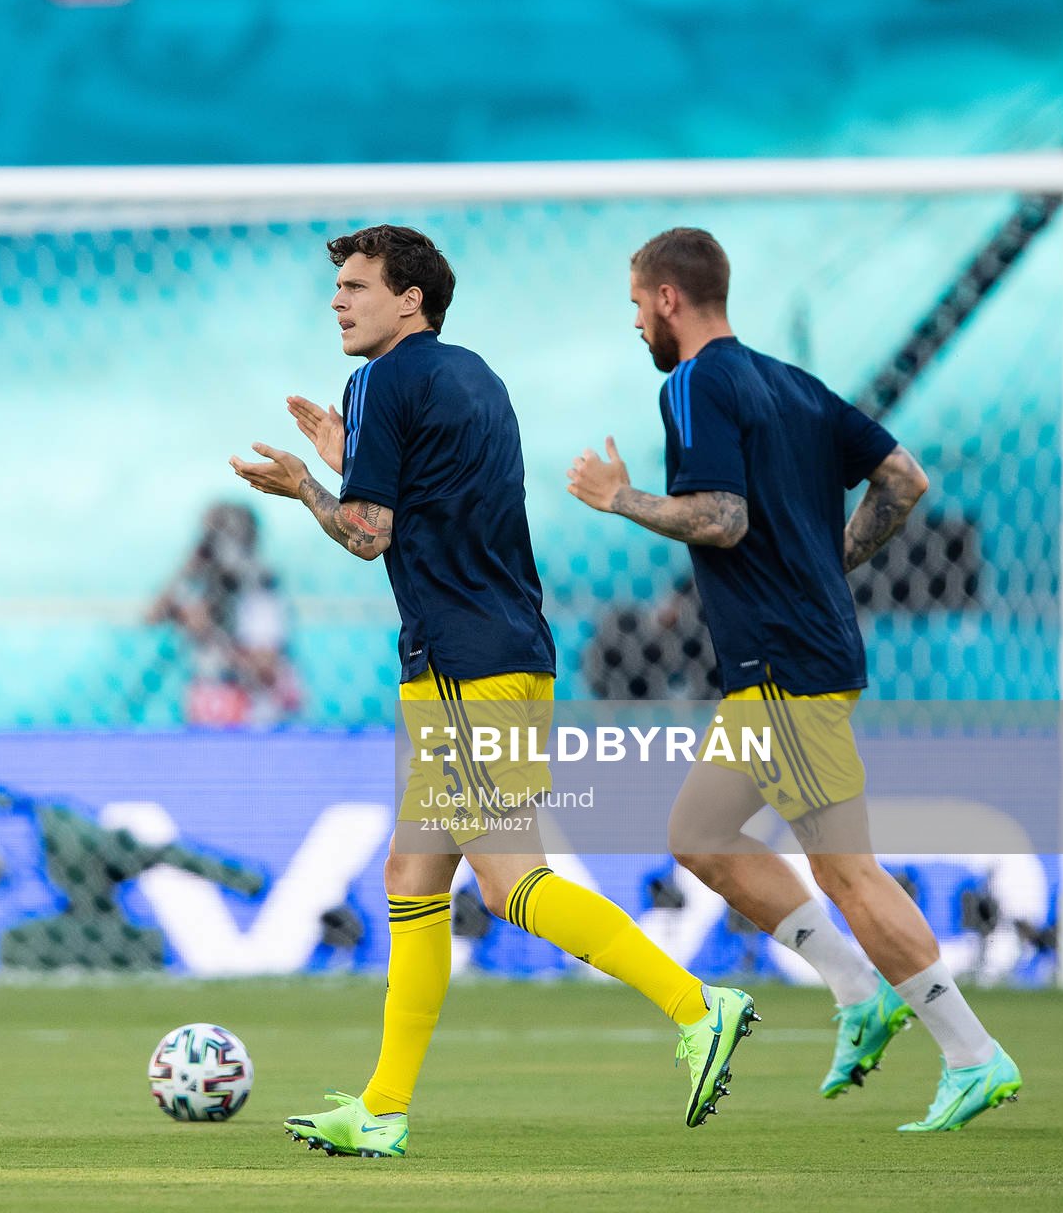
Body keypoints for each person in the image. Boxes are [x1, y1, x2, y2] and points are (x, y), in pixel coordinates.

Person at [230, 224, 754, 1159]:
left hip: (461, 664)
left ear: (410, 300)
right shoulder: (473, 376)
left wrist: (308, 485)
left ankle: (696, 1005)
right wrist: (356, 455)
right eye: (337, 289)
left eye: (357, 286)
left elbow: (369, 535)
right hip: (502, 651)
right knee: (412, 875)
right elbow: (435, 497)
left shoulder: (380, 381)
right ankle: (383, 1108)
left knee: (511, 880)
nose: (339, 302)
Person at [566, 226, 1021, 1132]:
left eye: (637, 304)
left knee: (847, 872)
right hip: (792, 658)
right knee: (701, 835)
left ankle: (973, 1055)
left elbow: (722, 518)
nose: (636, 323)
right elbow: (904, 480)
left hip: (784, 666)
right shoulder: (793, 384)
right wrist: (827, 564)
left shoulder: (692, 383)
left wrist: (621, 498)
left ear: (668, 299)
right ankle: (859, 991)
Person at [147, 501, 302, 727]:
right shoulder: (205, 582)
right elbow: (152, 616)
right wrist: (188, 569)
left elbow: (265, 667)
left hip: (252, 711)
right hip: (210, 703)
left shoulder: (260, 585)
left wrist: (207, 629)